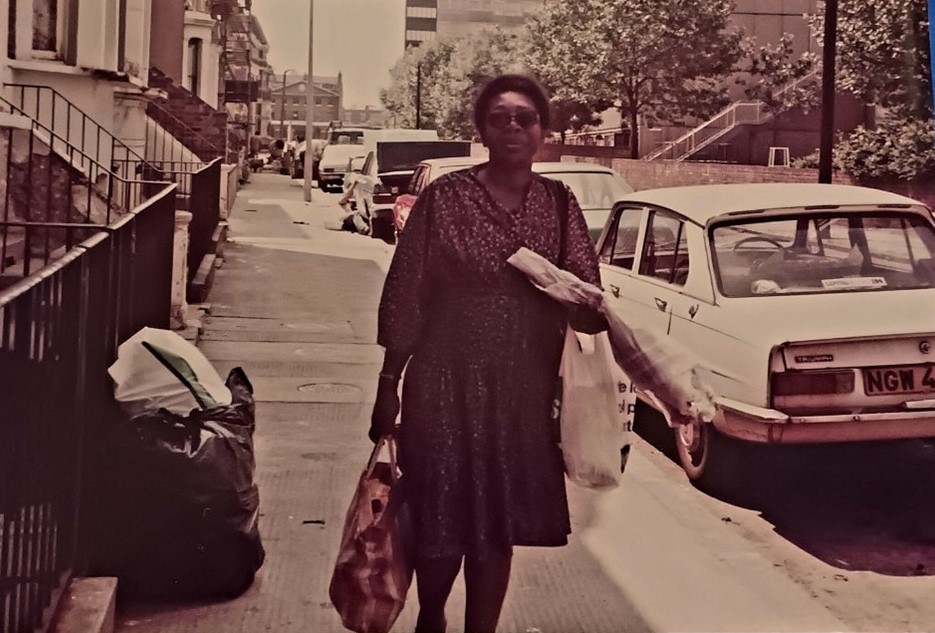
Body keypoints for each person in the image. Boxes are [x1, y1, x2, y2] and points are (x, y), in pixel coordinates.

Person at [369, 73, 604, 633]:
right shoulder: (445, 198)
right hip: (444, 380)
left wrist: (580, 301)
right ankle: (430, 617)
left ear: (543, 130)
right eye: (501, 118)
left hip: (523, 389)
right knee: (441, 511)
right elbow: (407, 290)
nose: (514, 127)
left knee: (497, 524)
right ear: (482, 130)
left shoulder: (559, 203)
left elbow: (587, 296)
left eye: (526, 118)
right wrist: (388, 383)